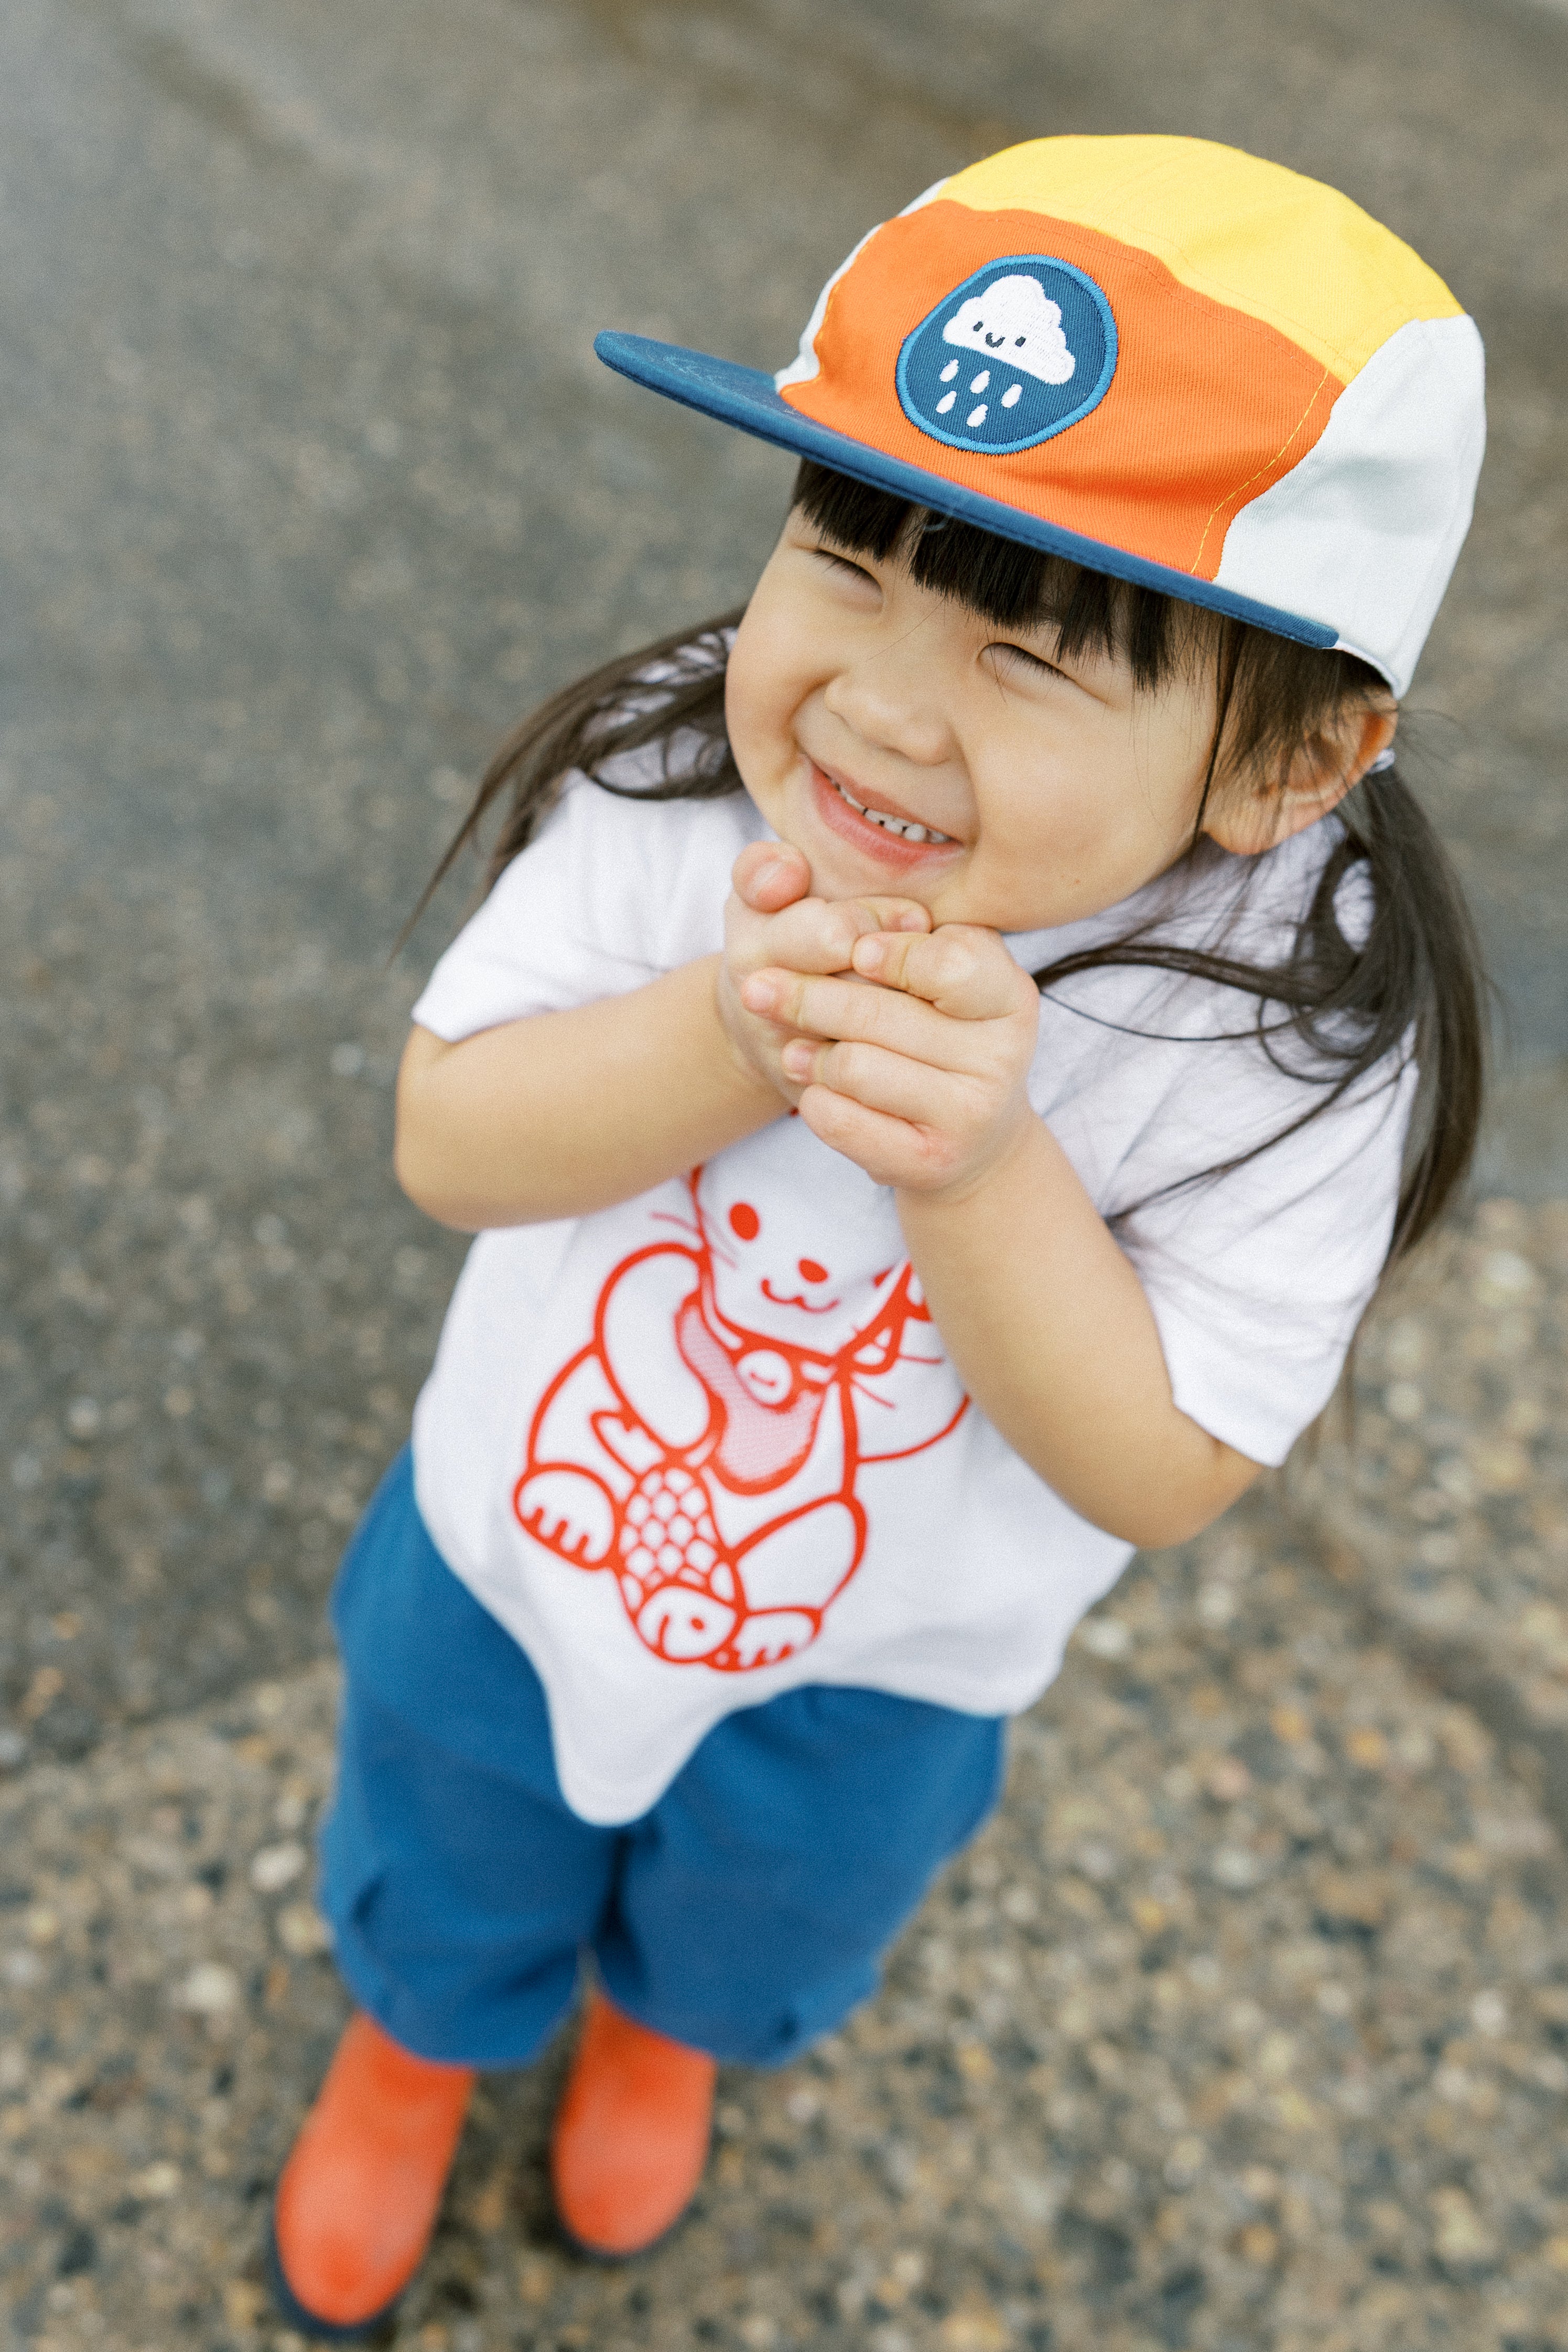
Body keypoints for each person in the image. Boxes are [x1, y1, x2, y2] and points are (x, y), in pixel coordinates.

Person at [267, 134, 1487, 2336]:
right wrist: (741, 1024)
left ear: (1294, 756)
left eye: (1030, 646)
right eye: (844, 554)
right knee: (443, 1828)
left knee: (771, 1909)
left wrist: (977, 1164)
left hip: (879, 1664)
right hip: (515, 1542)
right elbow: (451, 1143)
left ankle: (664, 2040)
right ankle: (417, 2039)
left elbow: (1160, 1465)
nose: (875, 703)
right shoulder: (682, 801)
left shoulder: (1293, 1031)